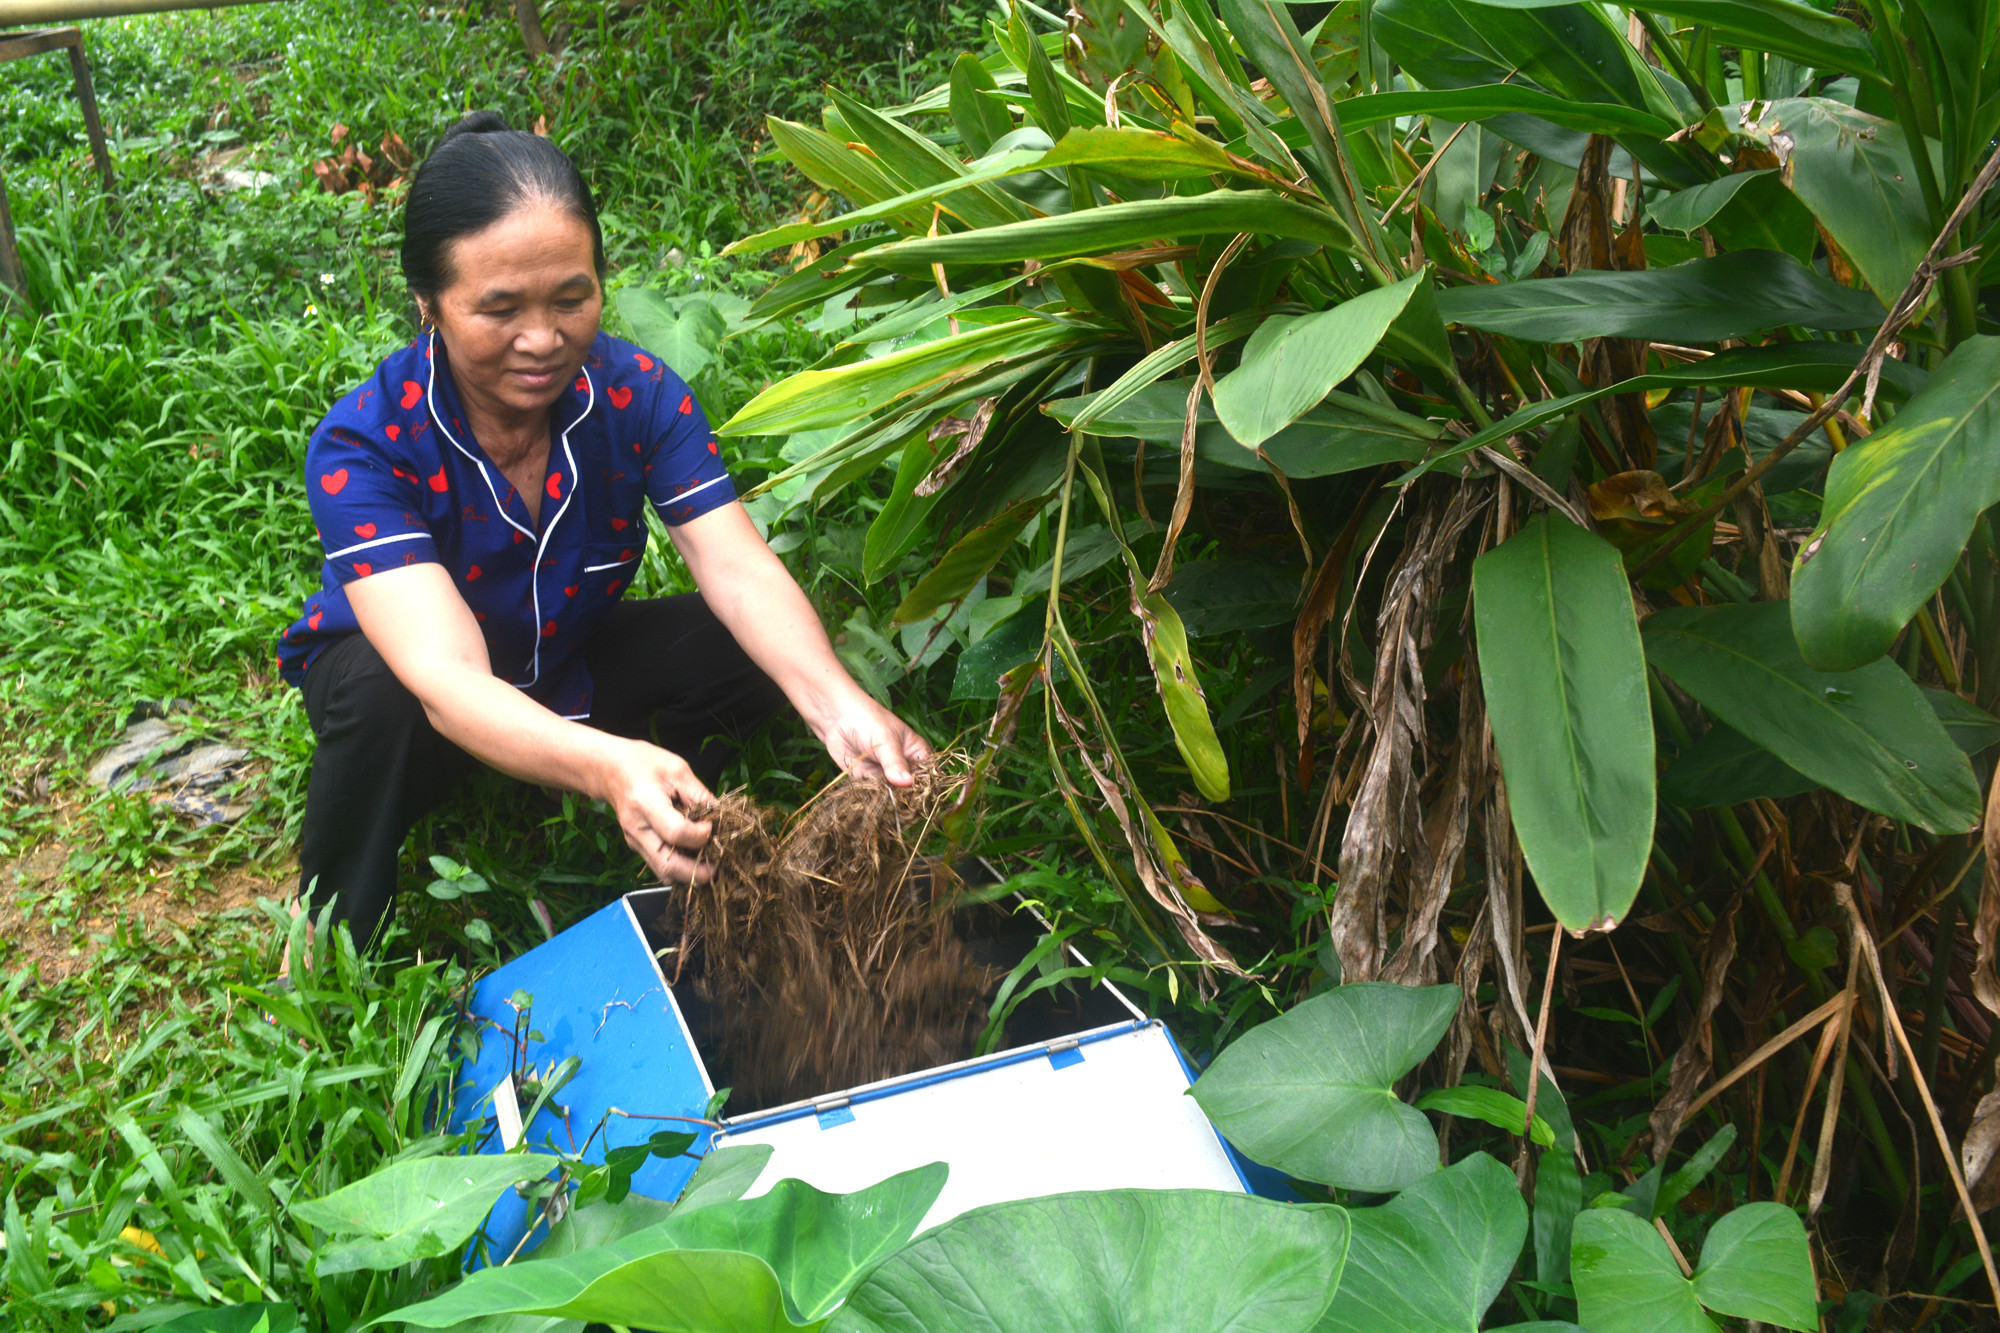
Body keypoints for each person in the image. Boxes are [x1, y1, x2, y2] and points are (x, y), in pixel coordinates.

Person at [277, 110, 929, 954]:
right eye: (499, 309)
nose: (543, 339)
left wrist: (842, 709)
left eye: (572, 298)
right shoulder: (365, 442)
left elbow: (736, 567)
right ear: (429, 302)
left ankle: (674, 808)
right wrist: (606, 762)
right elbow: (443, 674)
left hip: (562, 655)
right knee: (380, 688)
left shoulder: (638, 394)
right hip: (420, 694)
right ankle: (329, 928)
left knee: (749, 643)